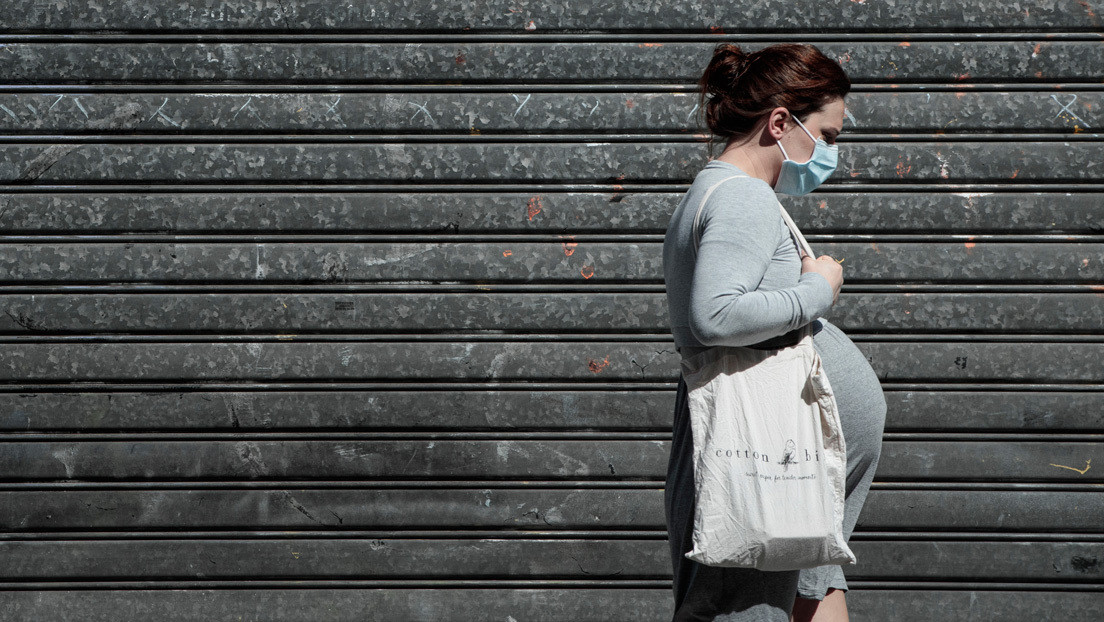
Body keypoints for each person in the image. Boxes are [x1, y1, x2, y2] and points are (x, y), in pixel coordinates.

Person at [662, 42, 887, 622]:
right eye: (827, 136)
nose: (831, 153)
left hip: (792, 456)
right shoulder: (741, 197)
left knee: (813, 589)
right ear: (781, 121)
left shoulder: (736, 193)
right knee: (737, 607)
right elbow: (716, 315)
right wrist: (819, 290)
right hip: (762, 450)